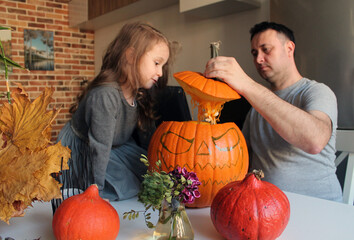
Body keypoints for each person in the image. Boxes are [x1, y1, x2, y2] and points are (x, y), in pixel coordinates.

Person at [203, 21, 342, 202]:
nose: (258, 59)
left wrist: (246, 84)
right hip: (263, 208)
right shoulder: (256, 107)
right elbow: (237, 157)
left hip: (319, 207)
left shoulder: (316, 91)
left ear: (289, 48)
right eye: (254, 53)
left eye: (266, 50)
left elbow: (314, 141)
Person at [56, 22, 173, 202]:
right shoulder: (106, 96)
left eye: (162, 66)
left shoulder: (138, 92)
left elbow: (145, 137)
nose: (159, 72)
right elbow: (100, 147)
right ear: (131, 56)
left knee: (147, 175)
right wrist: (96, 193)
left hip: (117, 146)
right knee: (123, 184)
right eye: (157, 63)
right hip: (89, 148)